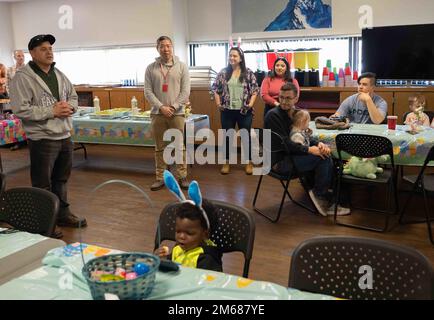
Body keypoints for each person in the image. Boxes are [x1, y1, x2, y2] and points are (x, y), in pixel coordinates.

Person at [9, 34, 87, 238]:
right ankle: (44, 221)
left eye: (50, 48)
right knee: (42, 183)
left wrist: (70, 107)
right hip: (42, 138)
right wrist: (51, 111)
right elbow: (20, 109)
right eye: (43, 49)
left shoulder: (59, 74)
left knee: (61, 179)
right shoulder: (22, 78)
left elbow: (73, 96)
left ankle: (62, 214)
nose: (49, 51)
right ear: (33, 54)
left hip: (64, 135)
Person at [264, 82, 349, 216]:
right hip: (278, 162)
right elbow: (284, 144)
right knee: (323, 158)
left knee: (326, 152)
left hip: (290, 156)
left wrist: (319, 144)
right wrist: (309, 150)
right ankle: (320, 195)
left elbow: (304, 135)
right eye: (281, 97)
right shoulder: (273, 115)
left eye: (288, 98)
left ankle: (326, 194)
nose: (284, 101)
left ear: (296, 98)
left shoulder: (295, 112)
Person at [145, 36, 191, 191]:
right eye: (162, 46)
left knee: (179, 146)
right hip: (158, 114)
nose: (166, 49)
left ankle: (182, 176)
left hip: (177, 114)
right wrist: (161, 107)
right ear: (157, 48)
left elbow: (185, 91)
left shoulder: (182, 67)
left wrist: (173, 106)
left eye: (168, 46)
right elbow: (148, 92)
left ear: (172, 47)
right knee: (160, 147)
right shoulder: (151, 68)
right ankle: (160, 177)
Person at [211, 47, 259, 175]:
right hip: (227, 111)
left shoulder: (248, 73)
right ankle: (226, 162)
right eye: (230, 55)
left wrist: (251, 104)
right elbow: (215, 88)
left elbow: (255, 90)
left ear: (241, 58)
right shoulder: (223, 73)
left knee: (245, 137)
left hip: (244, 111)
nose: (232, 58)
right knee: (228, 137)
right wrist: (218, 103)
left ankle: (248, 162)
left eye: (235, 56)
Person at [155, 199, 223, 272]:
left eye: (189, 233)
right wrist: (160, 260)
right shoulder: (179, 247)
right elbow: (172, 266)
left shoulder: (207, 259)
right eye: (178, 231)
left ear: (205, 234)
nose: (181, 237)